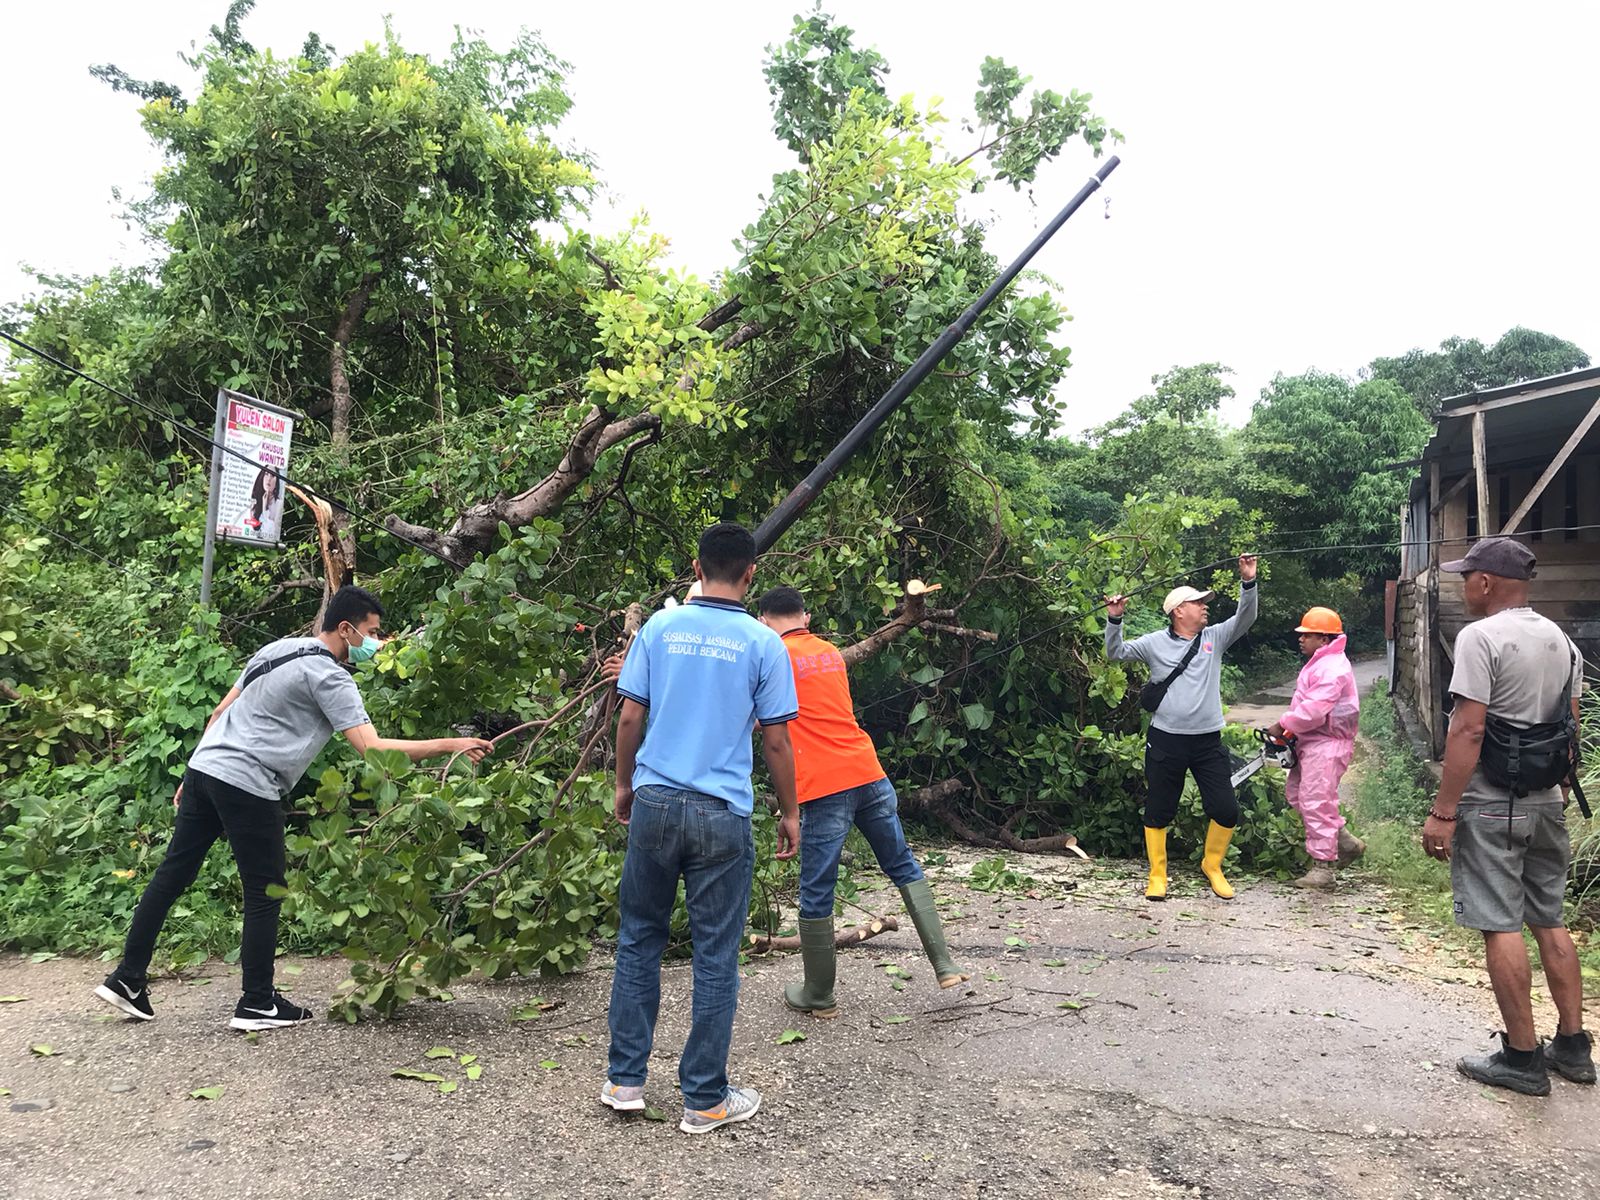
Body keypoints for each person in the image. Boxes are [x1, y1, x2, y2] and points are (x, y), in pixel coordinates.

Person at [95, 586, 493, 1030]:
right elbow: (373, 749)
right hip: (249, 781)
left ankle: (127, 978)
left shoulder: (276, 648)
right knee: (266, 891)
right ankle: (257, 1003)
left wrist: (191, 773)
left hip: (206, 769)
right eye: (372, 633)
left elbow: (220, 712)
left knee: (172, 875)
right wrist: (450, 744)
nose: (376, 644)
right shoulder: (331, 677)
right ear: (346, 629)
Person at [602, 523, 801, 1135]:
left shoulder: (660, 628)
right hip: (721, 812)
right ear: (750, 575)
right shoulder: (764, 644)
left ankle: (626, 1081)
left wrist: (623, 784)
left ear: (695, 566)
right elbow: (775, 738)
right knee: (716, 954)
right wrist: (790, 811)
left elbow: (631, 714)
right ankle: (705, 1099)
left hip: (657, 801)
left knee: (639, 938)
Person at [1421, 537, 1593, 1095]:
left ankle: (1522, 1058)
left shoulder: (1481, 636)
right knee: (1549, 918)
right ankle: (1573, 1046)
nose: (1463, 585)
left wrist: (1445, 811)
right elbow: (1569, 722)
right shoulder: (1562, 642)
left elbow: (1468, 728)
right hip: (1547, 800)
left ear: (1487, 583)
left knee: (1501, 923)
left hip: (1493, 802)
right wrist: (1562, 786)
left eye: (1467, 576)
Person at [755, 586, 968, 1019]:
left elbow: (765, 725)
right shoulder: (830, 652)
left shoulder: (771, 658)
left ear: (763, 622)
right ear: (807, 619)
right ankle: (944, 965)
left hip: (823, 786)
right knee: (903, 864)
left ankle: (819, 994)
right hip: (868, 773)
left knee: (817, 891)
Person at [1105, 555, 1258, 900]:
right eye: (1198, 603)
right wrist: (1115, 619)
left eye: (1205, 603)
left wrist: (1248, 582)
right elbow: (1116, 652)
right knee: (1159, 808)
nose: (1205, 608)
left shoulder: (1215, 638)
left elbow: (1246, 618)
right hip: (1166, 741)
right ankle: (1158, 874)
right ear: (1178, 611)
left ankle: (1212, 865)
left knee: (1226, 809)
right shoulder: (1153, 643)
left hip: (1207, 742)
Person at [1267, 607, 1364, 890]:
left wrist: (1283, 723)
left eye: (1307, 635)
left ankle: (1323, 868)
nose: (1301, 639)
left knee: (1316, 801)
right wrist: (1289, 733)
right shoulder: (1320, 662)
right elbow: (1304, 706)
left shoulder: (1332, 668)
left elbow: (1313, 711)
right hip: (1312, 740)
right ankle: (1345, 843)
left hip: (1327, 743)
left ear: (1323, 638)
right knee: (1298, 795)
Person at [235, 466, 283, 542]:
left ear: (277, 481)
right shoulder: (253, 502)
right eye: (266, 474)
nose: (269, 479)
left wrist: (265, 509)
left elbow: (269, 538)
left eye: (273, 475)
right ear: (262, 477)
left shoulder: (279, 504)